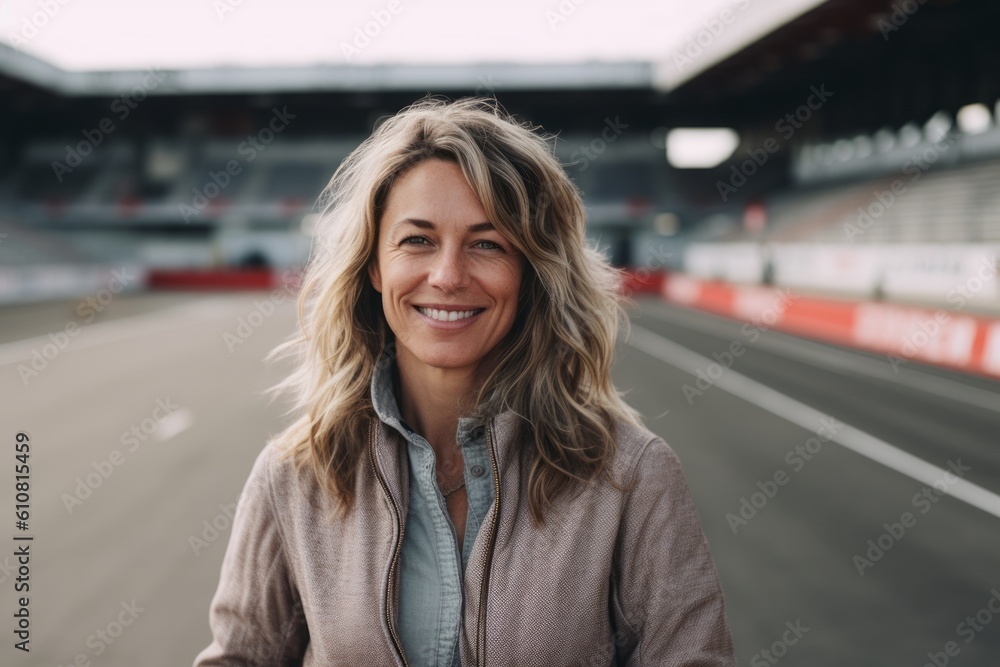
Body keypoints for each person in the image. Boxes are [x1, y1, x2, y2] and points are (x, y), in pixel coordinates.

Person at [194, 96, 735, 666]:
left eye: (487, 244)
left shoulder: (632, 477)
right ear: (375, 266)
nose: (448, 276)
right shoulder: (293, 477)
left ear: (530, 273)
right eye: (417, 240)